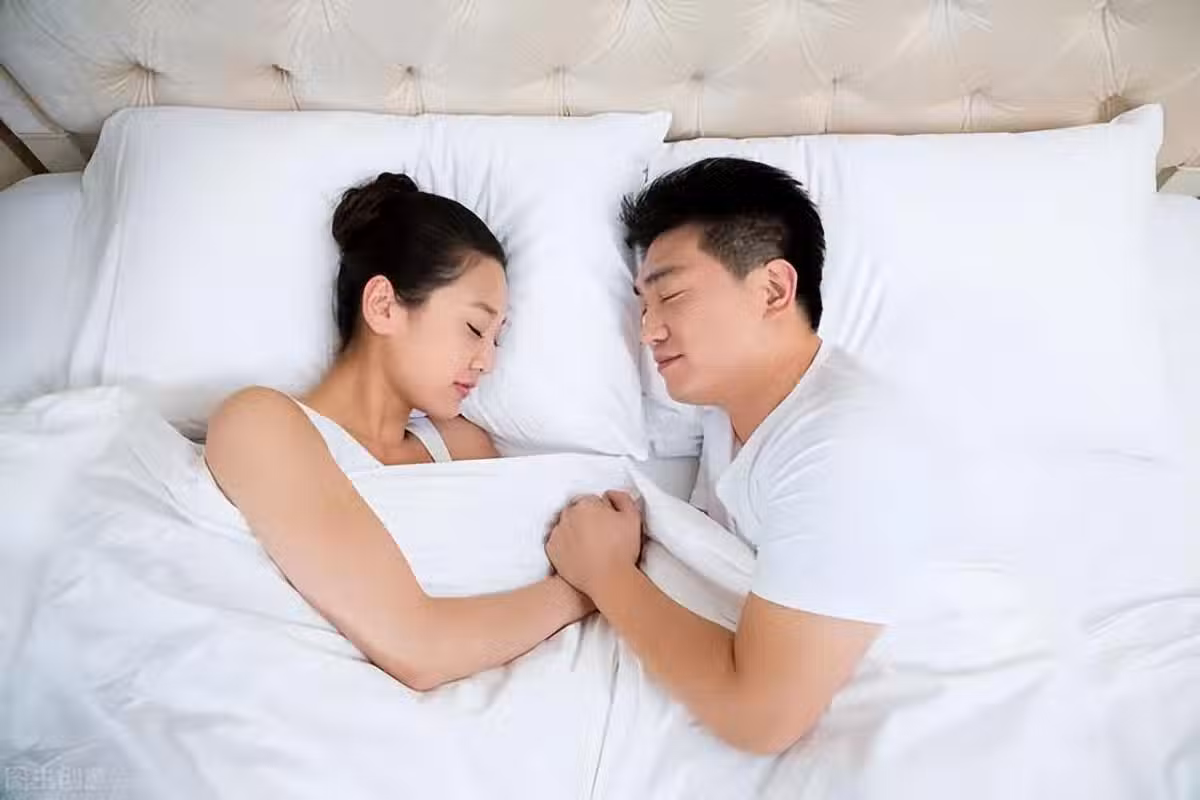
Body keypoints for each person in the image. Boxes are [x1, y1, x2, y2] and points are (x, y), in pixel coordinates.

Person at [545, 158, 930, 754]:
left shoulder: (840, 443)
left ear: (773, 290)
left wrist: (606, 575)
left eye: (671, 295)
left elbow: (762, 720)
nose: (648, 331)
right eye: (644, 306)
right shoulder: (729, 414)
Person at [206, 172, 592, 692]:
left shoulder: (464, 448)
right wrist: (591, 585)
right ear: (383, 306)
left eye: (497, 339)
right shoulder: (260, 424)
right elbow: (418, 648)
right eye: (474, 328)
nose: (488, 361)